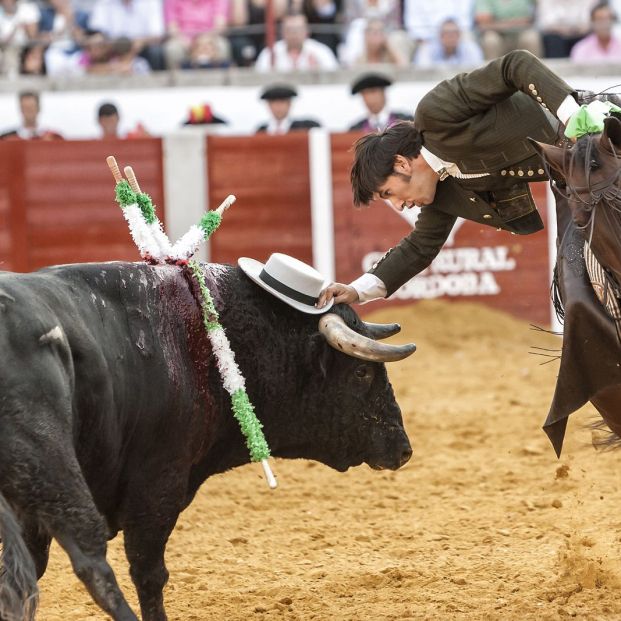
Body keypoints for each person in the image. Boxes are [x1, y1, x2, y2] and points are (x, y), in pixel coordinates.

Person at [316, 50, 585, 310]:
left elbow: (514, 64)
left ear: (401, 163)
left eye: (389, 193)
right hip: (580, 177)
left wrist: (576, 118)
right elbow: (419, 248)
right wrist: (356, 290)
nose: (398, 206)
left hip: (597, 136)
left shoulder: (435, 114)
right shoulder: (442, 193)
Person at [254, 11, 339, 72]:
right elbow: (259, 77)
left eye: (298, 30)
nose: (294, 34)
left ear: (307, 31)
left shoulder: (321, 52)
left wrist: (318, 72)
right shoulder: (269, 53)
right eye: (289, 30)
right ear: (282, 32)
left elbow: (334, 76)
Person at [474, 0, 541, 59]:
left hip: (521, 34)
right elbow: (483, 22)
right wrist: (516, 22)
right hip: (497, 35)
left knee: (531, 38)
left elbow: (532, 18)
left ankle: (532, 72)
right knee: (490, 40)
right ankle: (493, 72)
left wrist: (496, 22)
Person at [414, 17, 484, 68]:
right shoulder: (427, 49)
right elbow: (422, 71)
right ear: (440, 36)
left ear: (459, 35)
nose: (451, 37)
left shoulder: (471, 48)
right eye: (447, 34)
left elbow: (476, 71)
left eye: (454, 34)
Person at [256, 84, 320, 134]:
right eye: (274, 103)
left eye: (282, 102)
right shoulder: (261, 130)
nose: (278, 107)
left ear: (289, 104)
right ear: (269, 106)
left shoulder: (306, 127)